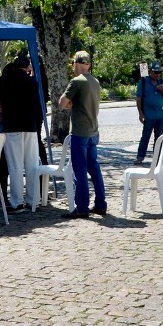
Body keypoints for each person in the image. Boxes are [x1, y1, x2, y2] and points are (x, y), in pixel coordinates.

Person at [59, 50, 106, 219]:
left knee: (80, 171)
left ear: (76, 63)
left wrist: (71, 103)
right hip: (93, 130)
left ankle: (82, 207)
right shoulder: (95, 81)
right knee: (94, 168)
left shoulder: (76, 82)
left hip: (79, 131)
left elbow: (62, 103)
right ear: (88, 64)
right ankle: (101, 203)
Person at [0, 55, 43, 212]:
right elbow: (38, 108)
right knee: (31, 163)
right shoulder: (32, 82)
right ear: (27, 67)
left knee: (15, 165)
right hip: (30, 126)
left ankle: (17, 201)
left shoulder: (5, 81)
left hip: (12, 126)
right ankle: (33, 199)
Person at [134, 62, 163, 165]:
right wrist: (140, 113)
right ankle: (140, 156)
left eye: (159, 73)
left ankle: (158, 158)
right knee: (145, 136)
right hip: (149, 115)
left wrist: (162, 90)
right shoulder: (143, 82)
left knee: (159, 138)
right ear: (150, 72)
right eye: (155, 72)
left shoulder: (162, 82)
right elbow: (139, 98)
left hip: (160, 115)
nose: (157, 75)